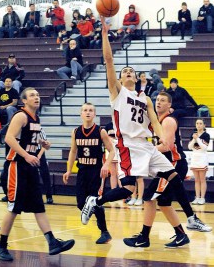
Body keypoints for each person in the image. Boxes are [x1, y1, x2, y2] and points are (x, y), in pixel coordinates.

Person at [80, 17, 201, 245]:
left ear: (136, 78)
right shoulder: (117, 93)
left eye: (130, 72)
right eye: (124, 71)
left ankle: (191, 219)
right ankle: (94, 202)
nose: (127, 73)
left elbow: (154, 122)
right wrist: (105, 35)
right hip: (128, 145)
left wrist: (162, 138)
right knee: (127, 189)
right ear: (120, 77)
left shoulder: (144, 98)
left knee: (173, 176)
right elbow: (108, 59)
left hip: (146, 145)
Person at [0, 87, 75, 261]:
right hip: (16, 166)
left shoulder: (35, 118)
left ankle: (52, 242)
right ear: (24, 100)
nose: (36, 97)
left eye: (38, 95)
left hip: (29, 168)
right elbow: (9, 138)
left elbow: (28, 139)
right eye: (32, 95)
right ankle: (1, 244)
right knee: (14, 208)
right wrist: (26, 155)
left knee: (39, 206)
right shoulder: (21, 115)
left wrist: (42, 144)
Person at [124, 92, 211, 249]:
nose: (158, 102)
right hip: (166, 165)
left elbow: (167, 146)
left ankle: (145, 237)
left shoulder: (168, 121)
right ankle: (181, 235)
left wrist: (142, 150)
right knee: (163, 202)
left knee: (149, 198)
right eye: (157, 99)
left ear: (169, 105)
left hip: (175, 164)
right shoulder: (156, 121)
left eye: (163, 100)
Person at [63, 102, 114, 244]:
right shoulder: (75, 132)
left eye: (91, 110)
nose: (88, 112)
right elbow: (73, 151)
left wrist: (106, 165)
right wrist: (68, 170)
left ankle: (104, 232)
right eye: (85, 110)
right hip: (82, 171)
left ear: (94, 114)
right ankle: (97, 214)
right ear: (81, 113)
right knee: (81, 203)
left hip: (97, 172)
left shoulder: (100, 131)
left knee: (94, 202)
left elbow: (112, 151)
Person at [188, 118, 210, 205]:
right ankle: (197, 197)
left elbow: (204, 147)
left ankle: (202, 198)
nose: (199, 125)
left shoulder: (206, 135)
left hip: (202, 157)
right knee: (196, 180)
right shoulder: (193, 135)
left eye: (200, 123)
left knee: (202, 179)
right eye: (197, 123)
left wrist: (197, 139)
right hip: (194, 157)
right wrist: (194, 139)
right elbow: (189, 147)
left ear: (204, 125)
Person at [104, 121, 119, 189]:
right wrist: (108, 139)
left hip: (120, 149)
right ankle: (113, 192)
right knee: (113, 173)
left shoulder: (122, 124)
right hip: (110, 149)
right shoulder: (108, 126)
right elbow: (104, 138)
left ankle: (124, 194)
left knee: (120, 173)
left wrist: (115, 140)